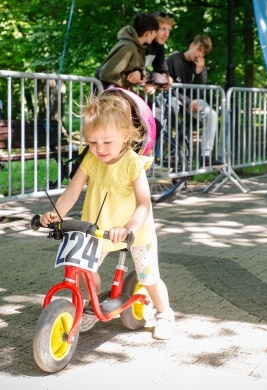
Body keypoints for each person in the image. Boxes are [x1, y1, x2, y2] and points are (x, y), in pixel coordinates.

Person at [39, 88, 175, 340]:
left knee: (148, 275)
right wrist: (56, 213)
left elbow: (144, 204)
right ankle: (90, 305)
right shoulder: (91, 159)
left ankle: (164, 312)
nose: (99, 148)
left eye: (106, 142)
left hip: (134, 232)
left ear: (125, 135)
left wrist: (128, 228)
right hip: (97, 229)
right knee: (82, 269)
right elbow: (72, 192)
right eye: (92, 141)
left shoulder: (133, 163)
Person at [166, 34, 226, 168]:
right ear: (192, 45)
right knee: (172, 107)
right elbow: (168, 87)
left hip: (191, 102)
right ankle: (169, 152)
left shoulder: (200, 67)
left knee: (211, 114)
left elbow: (200, 93)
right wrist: (187, 102)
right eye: (199, 50)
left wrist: (199, 73)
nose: (200, 55)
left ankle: (206, 156)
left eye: (204, 53)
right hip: (173, 98)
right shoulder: (173, 59)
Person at [97, 14, 159, 90]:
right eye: (154, 32)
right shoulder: (129, 47)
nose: (156, 35)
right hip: (111, 95)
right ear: (147, 33)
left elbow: (139, 69)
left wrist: (139, 74)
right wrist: (129, 80)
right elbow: (107, 74)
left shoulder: (137, 47)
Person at [144, 11, 175, 95]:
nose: (166, 34)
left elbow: (163, 72)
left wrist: (155, 84)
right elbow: (136, 73)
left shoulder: (159, 45)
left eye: (169, 30)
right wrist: (160, 80)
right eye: (163, 29)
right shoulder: (141, 42)